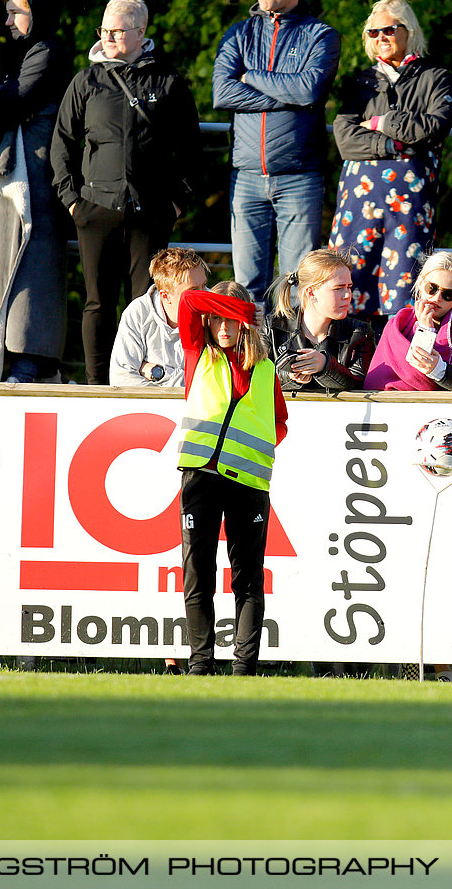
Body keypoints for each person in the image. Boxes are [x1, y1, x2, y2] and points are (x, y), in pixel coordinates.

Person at [50, 0, 202, 384]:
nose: (109, 37)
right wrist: (72, 201)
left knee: (148, 303)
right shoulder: (86, 80)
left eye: (117, 30)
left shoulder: (168, 81)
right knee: (97, 303)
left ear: (141, 32)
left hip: (151, 210)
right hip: (95, 208)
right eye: (104, 29)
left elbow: (190, 148)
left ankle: (145, 381)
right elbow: (62, 144)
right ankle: (96, 383)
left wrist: (176, 204)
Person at [213, 0, 341, 302]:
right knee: (246, 289)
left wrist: (250, 75)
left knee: (298, 287)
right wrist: (288, 95)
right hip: (246, 176)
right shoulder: (239, 33)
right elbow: (222, 92)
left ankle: (292, 359)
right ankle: (251, 359)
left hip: (300, 177)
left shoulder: (321, 34)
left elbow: (309, 90)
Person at [175, 283, 289, 675]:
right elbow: (189, 300)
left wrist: (254, 448)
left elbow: (280, 423)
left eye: (232, 319)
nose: (224, 326)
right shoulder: (198, 353)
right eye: (218, 317)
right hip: (200, 479)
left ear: (245, 325)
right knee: (198, 574)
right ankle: (200, 662)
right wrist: (242, 307)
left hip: (249, 486)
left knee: (248, 579)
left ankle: (244, 668)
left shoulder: (266, 369)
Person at [0, 0, 71, 383]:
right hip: (27, 172)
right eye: (7, 13)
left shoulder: (46, 52)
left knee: (31, 261)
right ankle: (22, 359)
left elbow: (11, 103)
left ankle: (30, 361)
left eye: (17, 12)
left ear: (38, 12)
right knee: (13, 259)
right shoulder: (21, 56)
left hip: (36, 178)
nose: (8, 21)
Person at [330, 0, 452, 320]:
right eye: (373, 32)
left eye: (388, 30)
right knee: (347, 279)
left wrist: (380, 123)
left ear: (408, 29)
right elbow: (345, 138)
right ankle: (346, 363)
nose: (380, 37)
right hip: (359, 204)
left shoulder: (434, 76)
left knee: (407, 287)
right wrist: (398, 145)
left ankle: (397, 365)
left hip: (410, 206)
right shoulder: (361, 81)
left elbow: (434, 126)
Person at [364, 251, 452, 401]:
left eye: (447, 294)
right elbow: (380, 379)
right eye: (432, 288)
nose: (437, 298)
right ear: (421, 282)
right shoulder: (398, 325)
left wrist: (438, 369)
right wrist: (425, 329)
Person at [265, 248, 376, 395]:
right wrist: (289, 377)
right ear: (311, 293)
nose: (347, 295)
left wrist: (325, 365)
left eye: (349, 287)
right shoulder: (271, 328)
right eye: (338, 288)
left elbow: (361, 382)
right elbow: (253, 377)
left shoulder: (360, 333)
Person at [110, 248, 210, 389]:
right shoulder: (138, 313)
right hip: (151, 409)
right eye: (193, 291)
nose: (204, 296)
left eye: (204, 285)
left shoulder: (217, 313)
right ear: (165, 296)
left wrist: (159, 374)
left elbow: (217, 383)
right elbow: (121, 379)